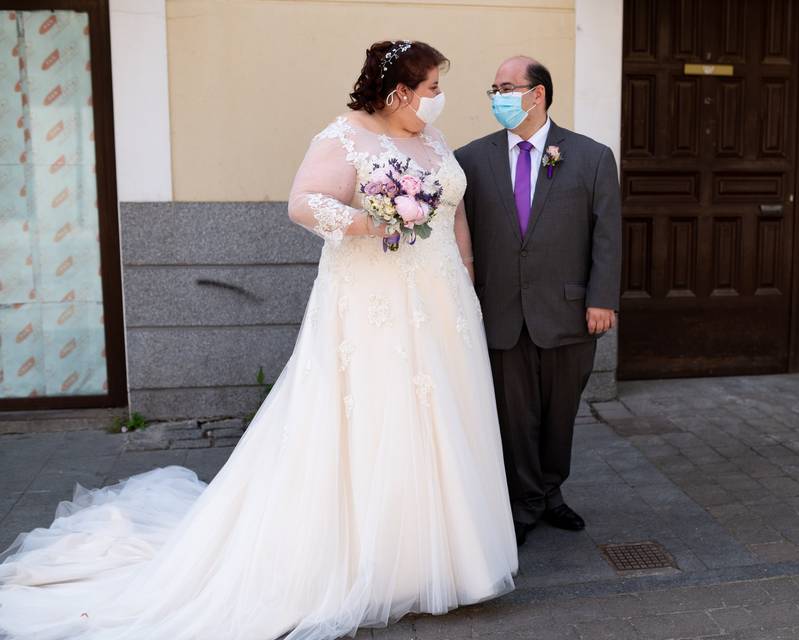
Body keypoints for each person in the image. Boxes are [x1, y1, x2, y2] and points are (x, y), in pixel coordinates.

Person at [0, 40, 518, 640]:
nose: (438, 99)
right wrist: (374, 221)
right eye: (431, 88)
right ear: (400, 91)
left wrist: (466, 282)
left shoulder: (432, 140)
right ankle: (388, 564)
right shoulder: (342, 136)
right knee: (384, 413)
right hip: (375, 302)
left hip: (441, 300)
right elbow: (304, 204)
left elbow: (453, 213)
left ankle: (456, 558)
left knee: (448, 418)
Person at [455, 56, 621, 547]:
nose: (496, 97)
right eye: (493, 88)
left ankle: (552, 492)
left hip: (570, 312)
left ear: (538, 94)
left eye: (506, 87)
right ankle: (525, 502)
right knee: (515, 414)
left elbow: (606, 236)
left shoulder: (591, 157)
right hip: (501, 312)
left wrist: (602, 299)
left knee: (559, 412)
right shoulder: (471, 159)